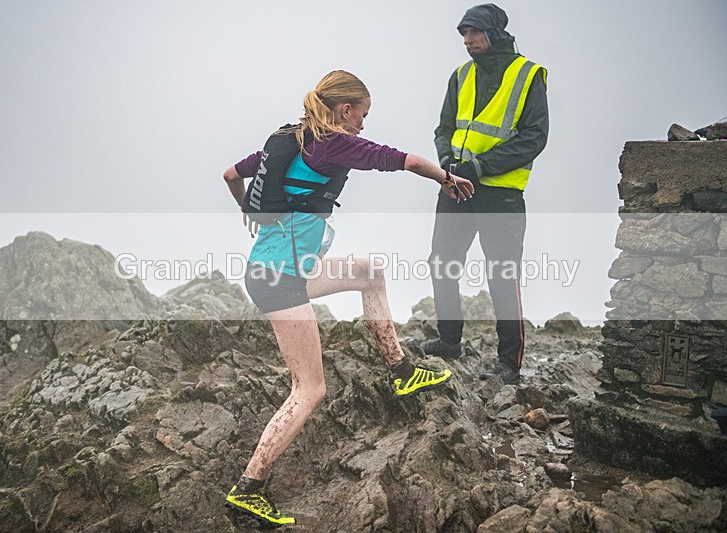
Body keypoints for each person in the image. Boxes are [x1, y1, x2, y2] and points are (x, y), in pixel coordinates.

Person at [221, 69, 474, 527]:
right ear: (344, 110)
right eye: (362, 114)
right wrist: (445, 178)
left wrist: (249, 209)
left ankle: (401, 372)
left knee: (369, 274)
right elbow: (405, 160)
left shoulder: (288, 140)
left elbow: (230, 174)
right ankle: (247, 489)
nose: (363, 124)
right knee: (309, 390)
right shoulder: (333, 143)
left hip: (286, 270)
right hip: (280, 280)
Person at [420, 4, 549, 385]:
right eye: (464, 33)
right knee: (442, 263)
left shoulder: (528, 75)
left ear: (494, 32)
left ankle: (509, 363)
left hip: (501, 194)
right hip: (455, 187)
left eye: (474, 32)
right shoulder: (461, 75)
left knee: (502, 275)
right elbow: (443, 129)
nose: (467, 40)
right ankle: (449, 341)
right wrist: (447, 164)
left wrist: (479, 166)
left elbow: (534, 138)